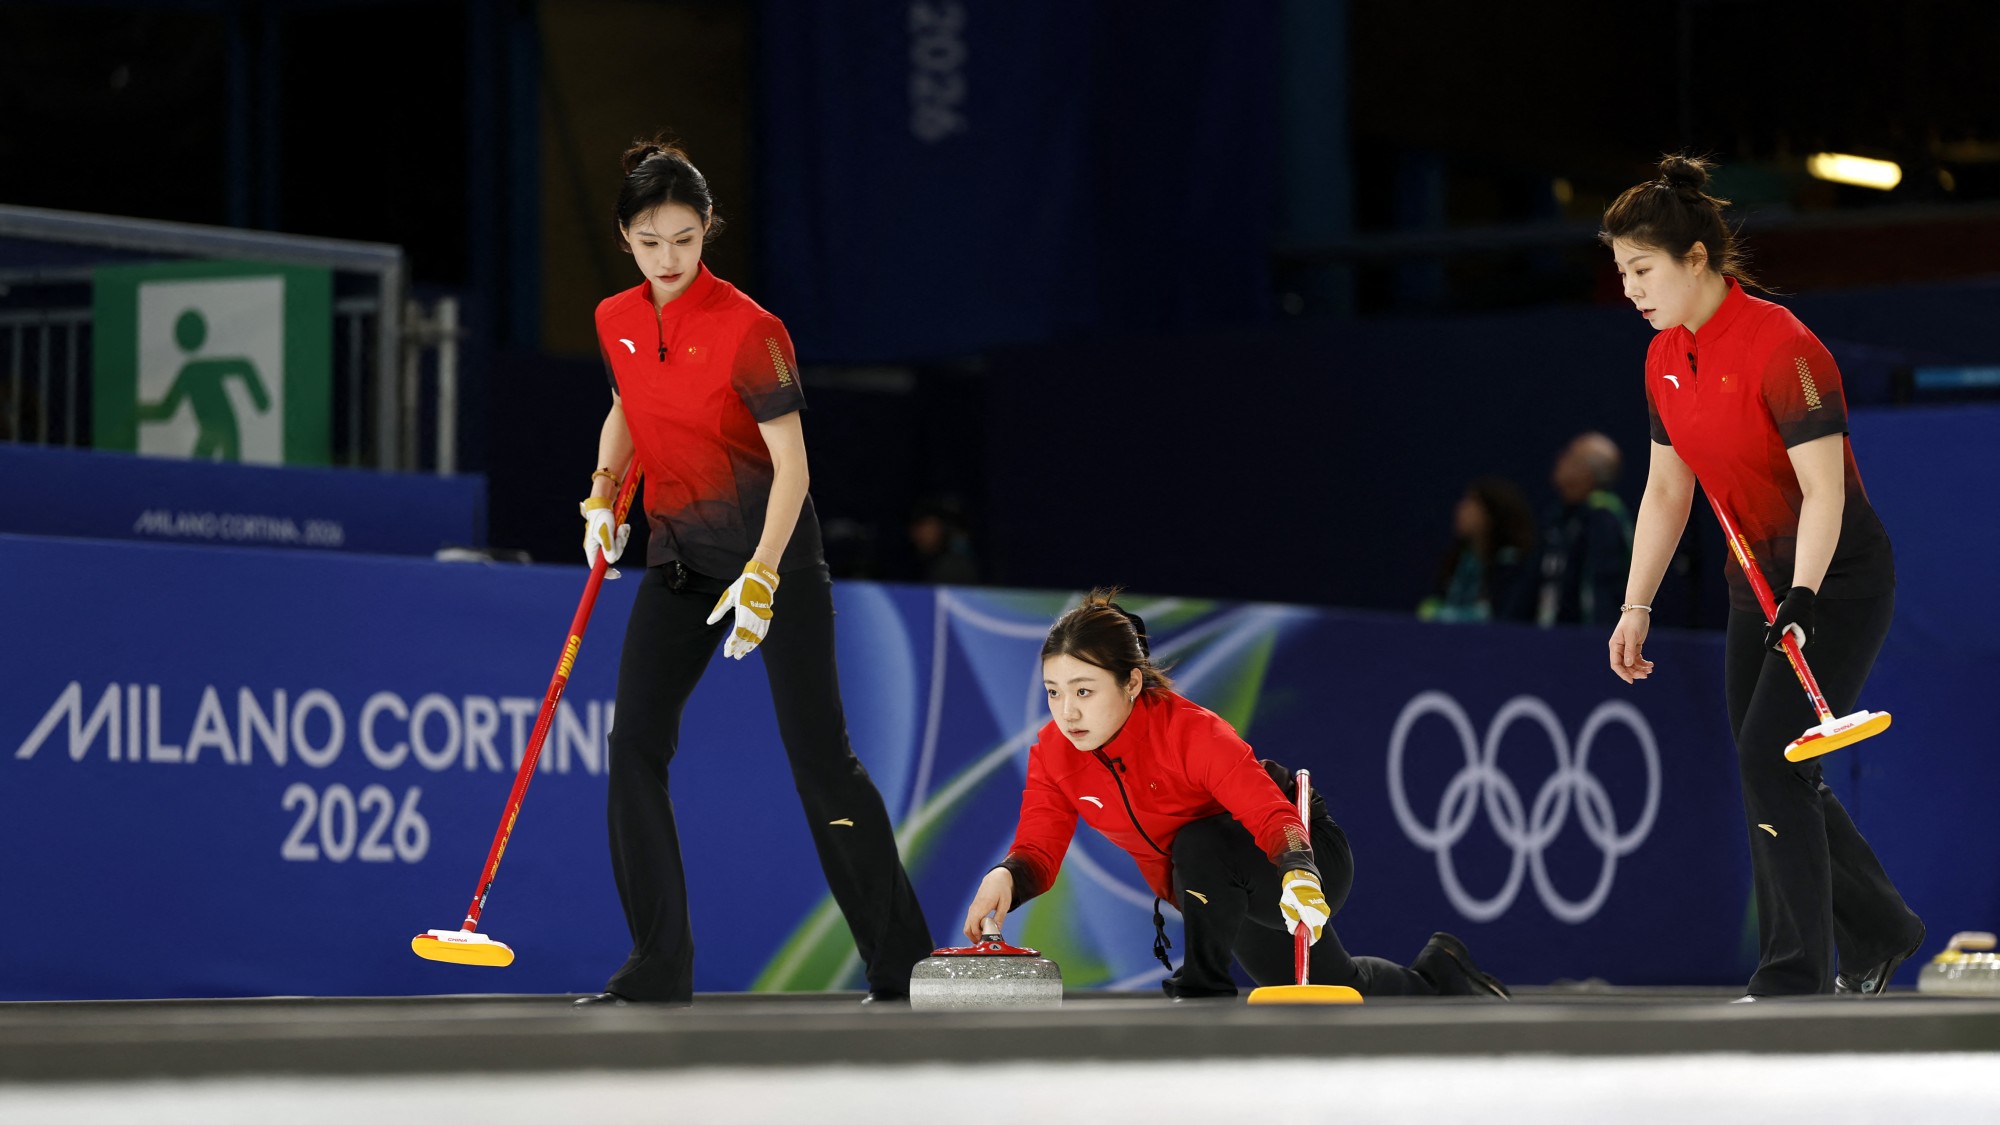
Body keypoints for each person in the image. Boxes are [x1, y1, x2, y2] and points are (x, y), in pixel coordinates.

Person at [574, 138, 933, 1007]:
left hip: (774, 561)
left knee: (821, 761)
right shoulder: (614, 316)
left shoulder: (750, 328)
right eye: (652, 240)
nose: (670, 258)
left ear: (708, 233)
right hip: (678, 560)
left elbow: (794, 467)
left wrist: (765, 573)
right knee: (633, 748)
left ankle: (904, 965)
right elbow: (627, 404)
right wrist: (601, 493)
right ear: (627, 237)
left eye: (686, 239)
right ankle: (658, 964)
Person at [1603, 154, 1924, 999]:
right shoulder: (1662, 360)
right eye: (1622, 273)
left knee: (1771, 756)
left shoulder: (1786, 346)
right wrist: (1637, 602)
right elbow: (1668, 489)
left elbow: (1823, 490)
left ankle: (1796, 972)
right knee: (1767, 763)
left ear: (1696, 259)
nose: (1631, 289)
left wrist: (1807, 599)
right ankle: (1884, 927)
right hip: (1758, 585)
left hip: (1836, 578)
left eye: (1642, 269)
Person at [960, 590, 1509, 1001]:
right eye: (1054, 692)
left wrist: (1298, 870)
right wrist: (1006, 876)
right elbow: (1039, 846)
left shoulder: (1191, 733)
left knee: (1195, 840)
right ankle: (1442, 975)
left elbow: (1267, 811)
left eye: (1085, 691)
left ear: (1131, 683)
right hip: (1215, 891)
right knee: (1335, 989)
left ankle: (1202, 990)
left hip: (1298, 853)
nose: (1068, 712)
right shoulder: (1054, 754)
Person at [1512, 432, 1634, 627]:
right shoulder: (1558, 516)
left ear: (1588, 473)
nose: (1560, 460)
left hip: (1581, 641)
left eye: (1570, 456)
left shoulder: (1604, 519)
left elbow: (1602, 588)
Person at [1417, 477, 1535, 623]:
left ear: (1491, 514)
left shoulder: (1510, 564)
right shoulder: (1460, 559)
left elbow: (1497, 614)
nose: (1460, 509)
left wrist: (1442, 615)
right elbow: (1434, 603)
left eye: (1470, 504)